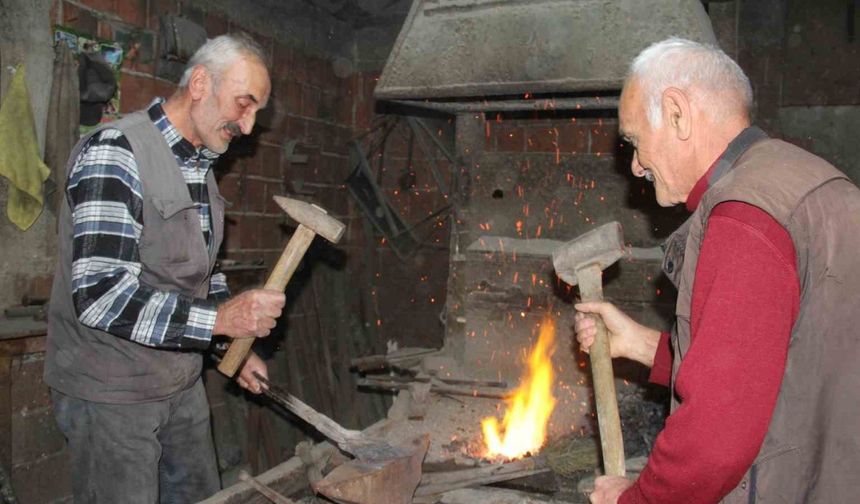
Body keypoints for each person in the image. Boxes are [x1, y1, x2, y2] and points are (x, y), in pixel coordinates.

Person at [575, 37, 860, 503]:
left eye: (634, 141)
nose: (635, 164)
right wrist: (645, 346)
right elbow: (777, 365)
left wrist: (637, 499)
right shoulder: (804, 177)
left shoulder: (743, 217)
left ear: (677, 113)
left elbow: (716, 437)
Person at [45, 34, 285, 503]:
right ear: (199, 83)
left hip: (178, 383)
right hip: (111, 392)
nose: (249, 126)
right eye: (244, 104)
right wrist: (219, 320)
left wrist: (226, 347)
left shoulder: (200, 168)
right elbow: (100, 296)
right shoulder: (118, 151)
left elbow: (199, 276)